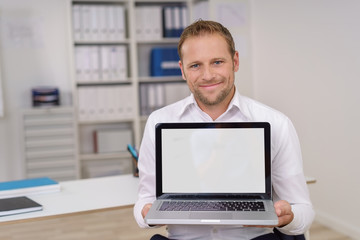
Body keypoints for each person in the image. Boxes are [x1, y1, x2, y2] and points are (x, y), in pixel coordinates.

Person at [134, 20, 314, 240]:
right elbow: (144, 200)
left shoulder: (276, 123)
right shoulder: (159, 121)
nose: (208, 75)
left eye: (217, 62)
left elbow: (304, 211)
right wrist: (147, 214)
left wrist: (289, 217)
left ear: (235, 61)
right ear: (182, 70)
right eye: (195, 65)